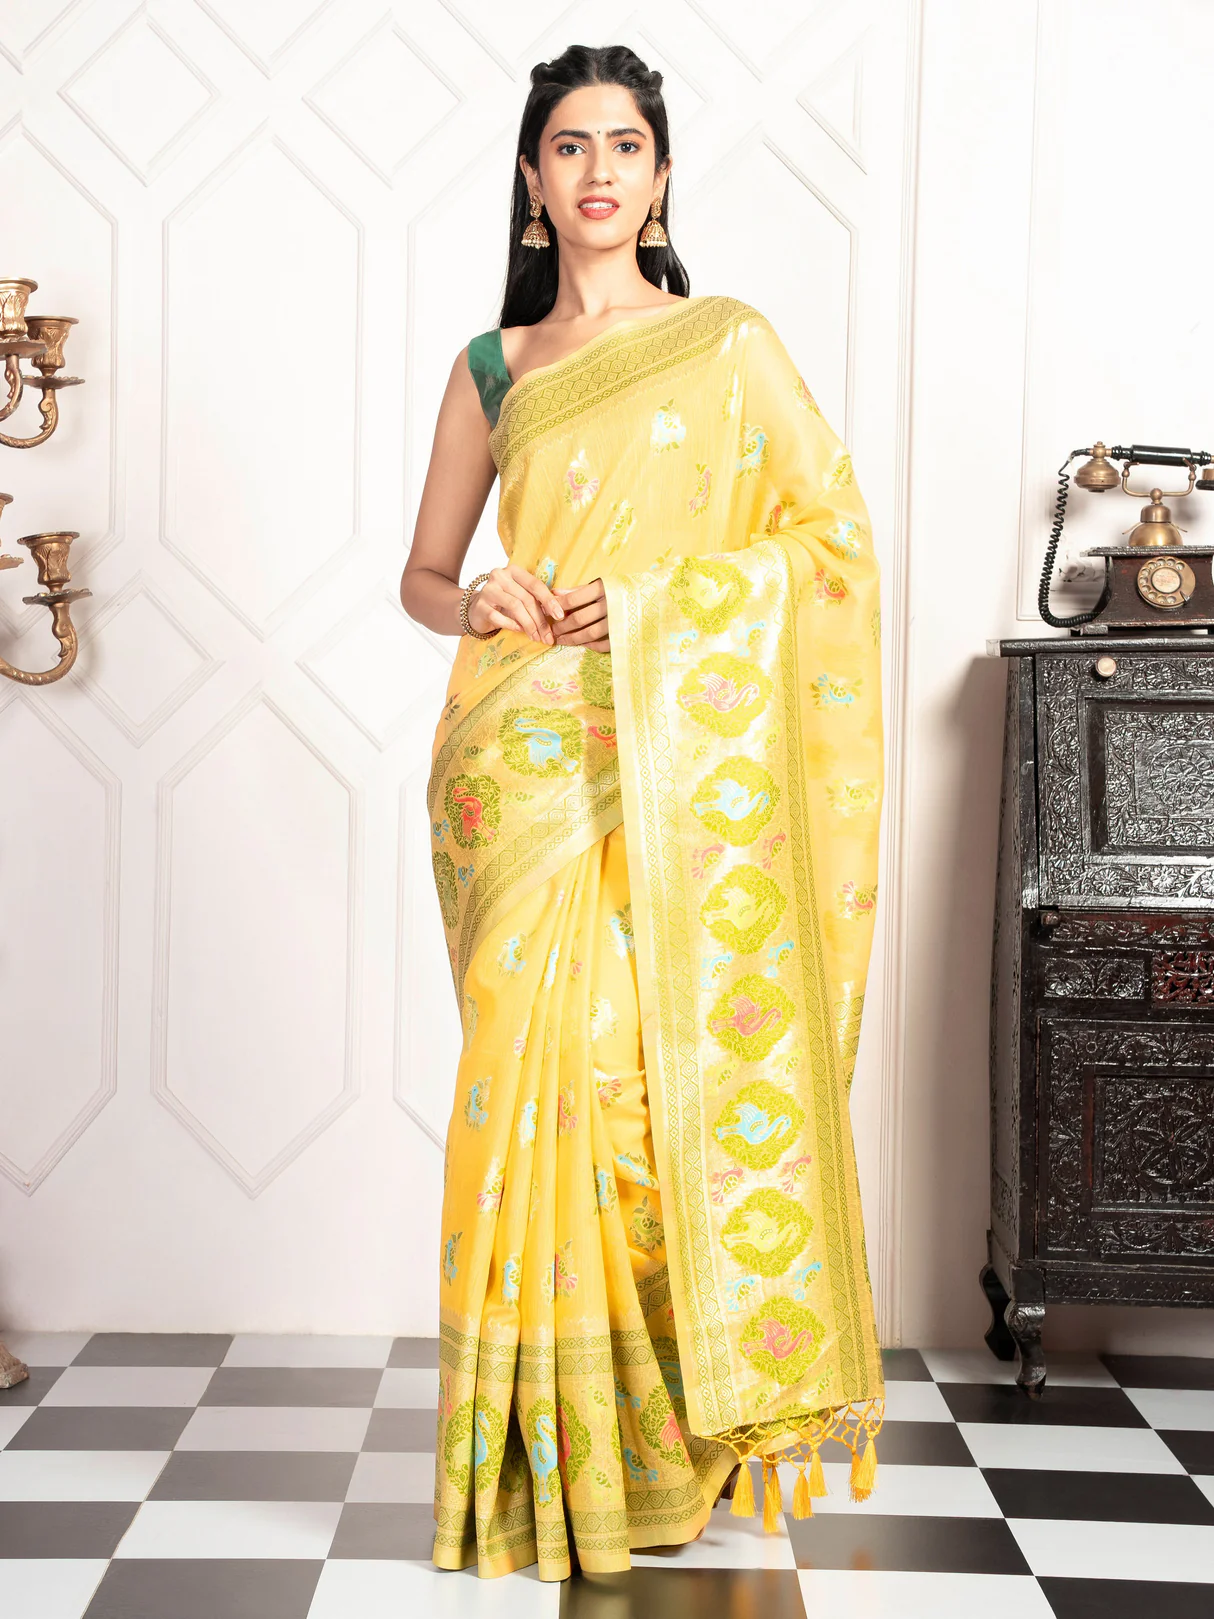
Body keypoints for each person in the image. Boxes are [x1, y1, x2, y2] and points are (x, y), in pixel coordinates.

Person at [401, 41, 885, 1583]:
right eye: (569, 145)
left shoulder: (726, 343)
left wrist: (665, 602)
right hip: (512, 766)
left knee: (634, 1085)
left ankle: (665, 1447)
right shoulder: (493, 367)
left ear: (660, 176)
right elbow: (422, 576)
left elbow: (830, 539)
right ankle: (535, 1463)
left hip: (673, 759)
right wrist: (475, 596)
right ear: (532, 181)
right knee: (524, 1096)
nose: (597, 169)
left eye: (624, 144)